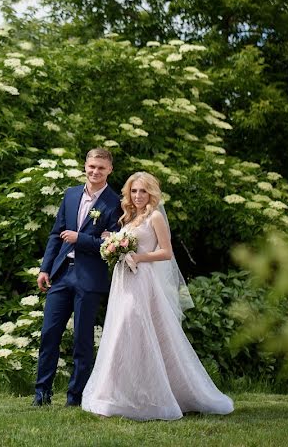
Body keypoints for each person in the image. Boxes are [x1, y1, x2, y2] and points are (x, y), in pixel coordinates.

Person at [81, 171, 234, 420]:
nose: (138, 195)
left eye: (143, 191)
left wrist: (139, 256)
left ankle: (156, 395)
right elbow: (122, 245)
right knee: (122, 331)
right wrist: (112, 245)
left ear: (151, 193)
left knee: (133, 328)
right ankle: (118, 393)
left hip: (143, 280)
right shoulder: (128, 217)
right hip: (123, 280)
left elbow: (166, 252)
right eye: (134, 191)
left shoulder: (154, 217)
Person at [32, 148, 122, 407]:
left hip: (89, 278)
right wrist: (45, 268)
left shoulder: (115, 203)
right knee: (49, 334)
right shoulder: (71, 194)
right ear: (85, 166)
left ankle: (76, 396)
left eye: (101, 168)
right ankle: (42, 394)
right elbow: (55, 234)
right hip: (60, 275)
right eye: (92, 166)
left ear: (109, 170)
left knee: (82, 341)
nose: (95, 172)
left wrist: (79, 239)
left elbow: (113, 245)